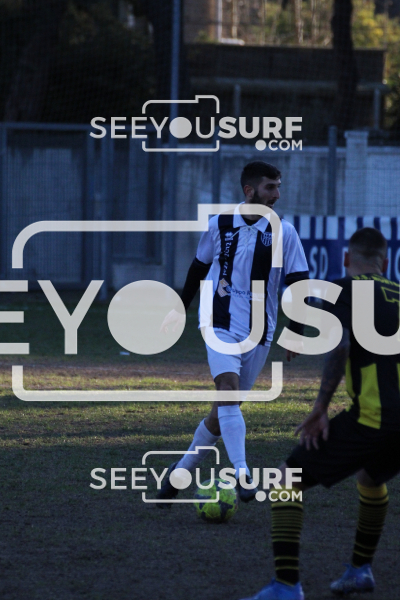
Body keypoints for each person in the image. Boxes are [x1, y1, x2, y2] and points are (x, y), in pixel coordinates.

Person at [240, 227, 400, 600]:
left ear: (346, 258)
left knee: (285, 480)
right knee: (370, 478)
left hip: (375, 418)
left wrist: (320, 408)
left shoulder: (344, 289)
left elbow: (340, 345)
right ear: (385, 262)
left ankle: (286, 586)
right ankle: (360, 570)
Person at [157, 161, 309, 505]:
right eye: (270, 187)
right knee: (227, 388)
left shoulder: (284, 231)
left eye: (279, 187)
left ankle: (180, 471)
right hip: (218, 322)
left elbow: (299, 282)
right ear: (249, 190)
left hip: (260, 330)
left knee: (224, 409)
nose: (277, 195)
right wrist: (179, 309)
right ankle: (242, 474)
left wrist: (297, 330)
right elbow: (198, 267)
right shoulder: (219, 224)